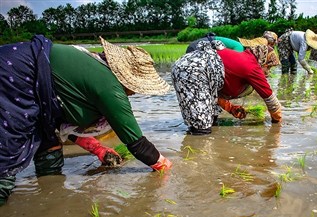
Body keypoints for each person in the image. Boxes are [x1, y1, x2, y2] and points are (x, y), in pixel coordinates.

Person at [0, 35, 172, 206]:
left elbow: (63, 124)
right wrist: (166, 168)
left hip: (33, 88)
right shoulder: (109, 87)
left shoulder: (94, 66)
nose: (135, 92)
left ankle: (50, 202)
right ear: (126, 78)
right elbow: (137, 143)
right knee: (6, 158)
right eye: (135, 87)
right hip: (12, 77)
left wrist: (98, 149)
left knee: (49, 142)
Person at [171, 39, 282, 135]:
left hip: (189, 68)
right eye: (268, 67)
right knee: (201, 129)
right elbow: (270, 100)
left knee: (211, 117)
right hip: (192, 71)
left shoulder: (244, 58)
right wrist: (277, 123)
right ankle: (197, 155)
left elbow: (213, 93)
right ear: (262, 61)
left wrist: (230, 108)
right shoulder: (252, 66)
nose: (268, 72)